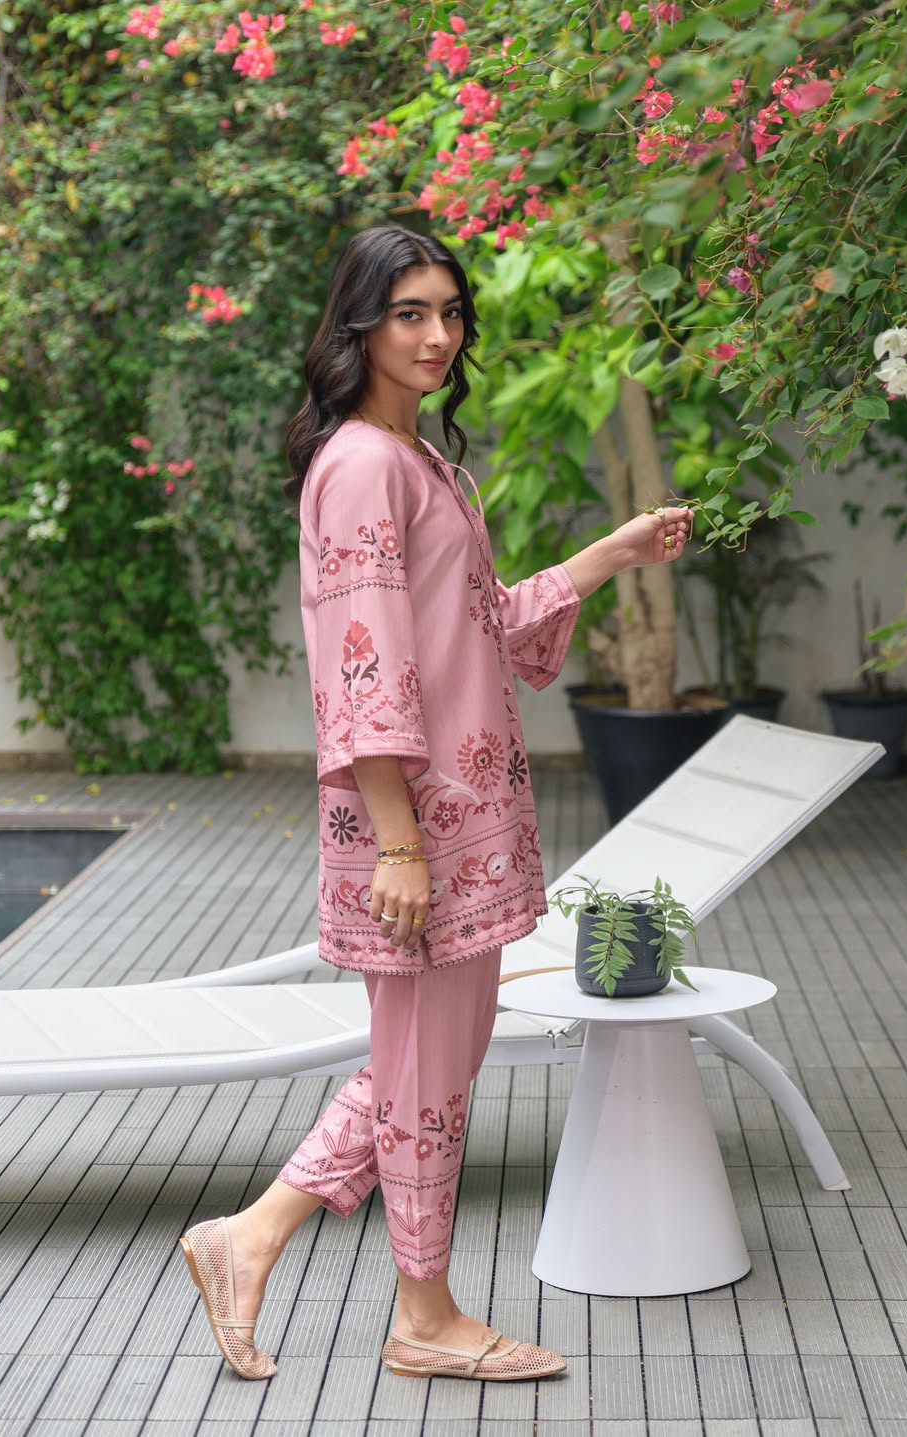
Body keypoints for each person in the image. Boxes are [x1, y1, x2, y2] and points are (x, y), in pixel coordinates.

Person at [179, 224, 691, 1383]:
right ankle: (422, 1315)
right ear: (358, 325)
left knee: (429, 1065)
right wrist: (399, 847)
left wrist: (610, 555)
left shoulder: (422, 462)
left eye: (451, 312)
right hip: (418, 831)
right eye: (409, 313)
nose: (438, 335)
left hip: (461, 823)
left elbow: (484, 625)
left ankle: (249, 1239)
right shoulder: (363, 465)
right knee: (426, 1071)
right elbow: (362, 671)